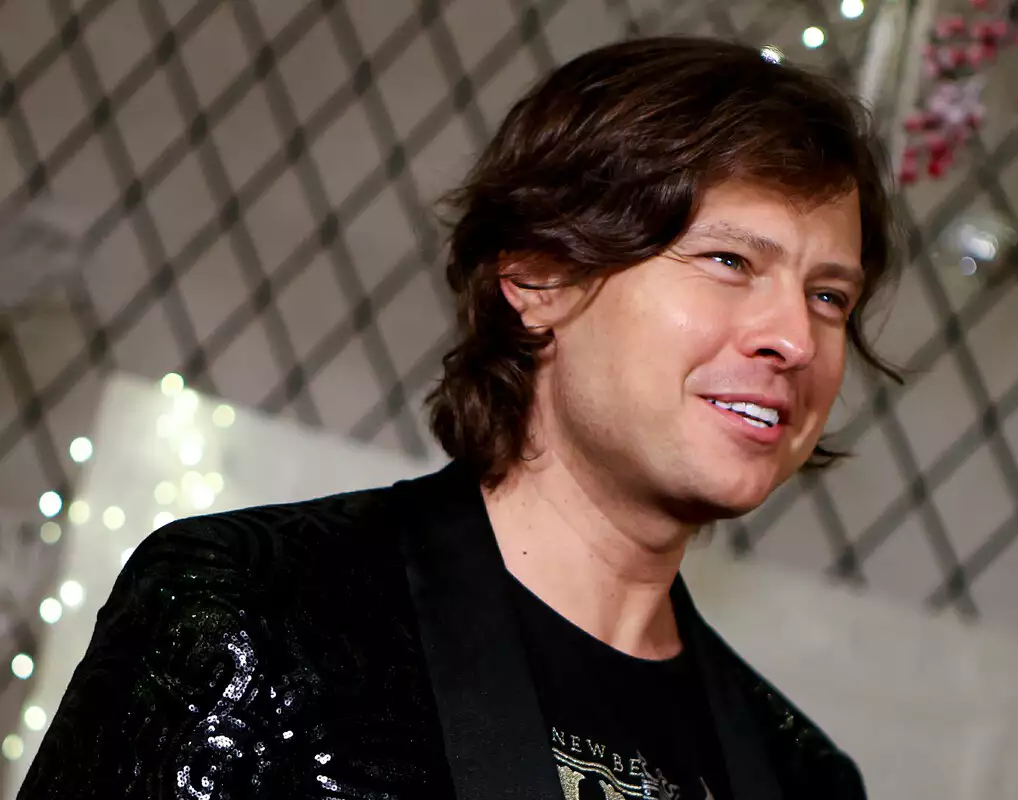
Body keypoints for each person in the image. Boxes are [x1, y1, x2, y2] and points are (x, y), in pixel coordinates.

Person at [19, 35, 899, 800]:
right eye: (729, 261)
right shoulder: (253, 609)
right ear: (539, 276)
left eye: (829, 296)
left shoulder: (804, 777)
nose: (795, 338)